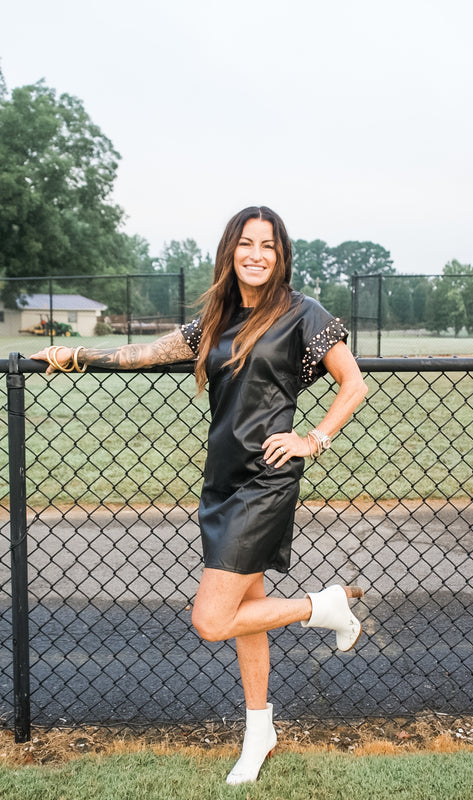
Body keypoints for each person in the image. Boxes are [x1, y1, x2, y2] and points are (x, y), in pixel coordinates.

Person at [31, 206, 368, 785]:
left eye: (268, 245)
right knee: (245, 613)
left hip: (267, 478)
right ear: (230, 251)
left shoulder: (301, 314)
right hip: (222, 481)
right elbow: (144, 353)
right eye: (246, 244)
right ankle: (259, 729)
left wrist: (314, 438)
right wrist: (77, 355)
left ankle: (324, 607)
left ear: (280, 254)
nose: (256, 254)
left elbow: (353, 382)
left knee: (212, 620)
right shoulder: (217, 316)